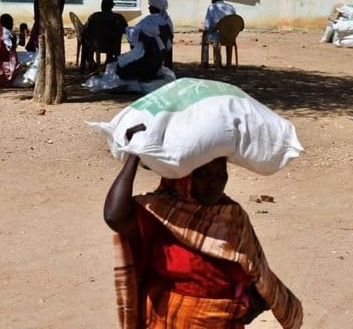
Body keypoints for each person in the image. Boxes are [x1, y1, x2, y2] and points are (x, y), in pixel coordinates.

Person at [104, 125, 304, 329]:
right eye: (204, 175)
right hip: (169, 320)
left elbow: (253, 267)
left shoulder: (230, 214)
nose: (215, 183)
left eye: (220, 173)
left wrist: (255, 298)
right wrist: (134, 154)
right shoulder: (158, 212)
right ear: (183, 177)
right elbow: (114, 216)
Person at [116, 0, 173, 81]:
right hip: (158, 62)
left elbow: (133, 33)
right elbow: (169, 44)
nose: (149, 8)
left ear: (155, 7)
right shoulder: (167, 20)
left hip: (147, 60)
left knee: (119, 69)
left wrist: (123, 29)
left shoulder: (149, 21)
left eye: (150, 6)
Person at [81, 0, 128, 71]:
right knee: (110, 41)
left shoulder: (94, 16)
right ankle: (108, 62)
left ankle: (91, 62)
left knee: (85, 42)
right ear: (112, 6)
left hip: (96, 45)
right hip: (113, 45)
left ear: (101, 6)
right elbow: (125, 30)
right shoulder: (118, 18)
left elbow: (86, 29)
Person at [202, 0, 237, 68]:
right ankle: (229, 64)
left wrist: (206, 29)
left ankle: (206, 62)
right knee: (220, 37)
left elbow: (208, 25)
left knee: (204, 36)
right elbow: (235, 22)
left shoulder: (212, 7)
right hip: (230, 37)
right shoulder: (231, 7)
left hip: (217, 37)